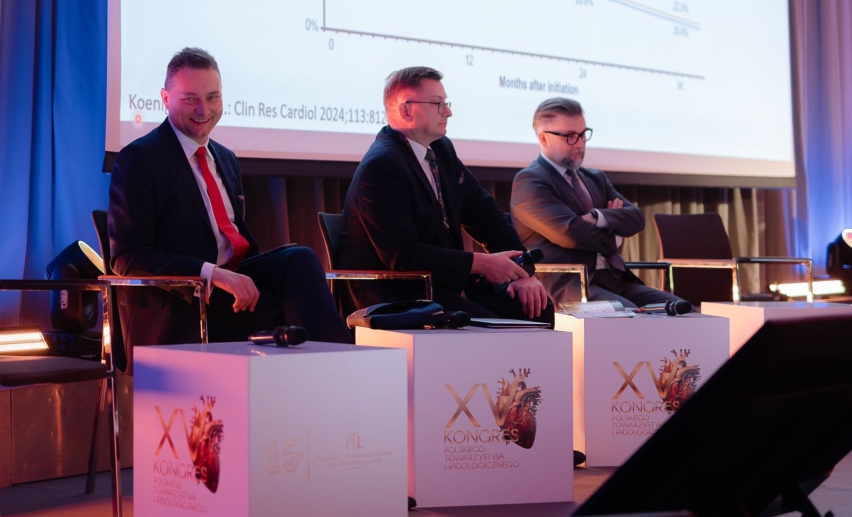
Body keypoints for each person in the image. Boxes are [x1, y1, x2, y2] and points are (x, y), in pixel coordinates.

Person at [108, 47, 350, 347]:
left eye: (213, 97)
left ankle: (337, 357)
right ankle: (337, 362)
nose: (204, 109)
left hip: (233, 294)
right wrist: (212, 274)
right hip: (187, 303)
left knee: (298, 260)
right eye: (190, 99)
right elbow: (127, 258)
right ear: (165, 99)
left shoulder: (225, 157)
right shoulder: (140, 159)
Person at [341, 66, 555, 326]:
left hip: (441, 285)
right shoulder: (382, 166)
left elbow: (484, 213)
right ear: (406, 110)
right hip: (397, 293)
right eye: (437, 104)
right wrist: (482, 263)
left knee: (536, 309)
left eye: (446, 103)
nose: (448, 112)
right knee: (491, 327)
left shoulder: (441, 150)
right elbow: (403, 255)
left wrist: (523, 272)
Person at [510, 97, 686, 309]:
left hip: (615, 279)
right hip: (571, 283)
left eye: (583, 134)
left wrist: (596, 216)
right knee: (630, 316)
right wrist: (616, 236)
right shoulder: (529, 181)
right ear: (544, 138)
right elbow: (571, 233)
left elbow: (636, 218)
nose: (580, 143)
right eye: (570, 136)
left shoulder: (595, 178)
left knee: (682, 310)